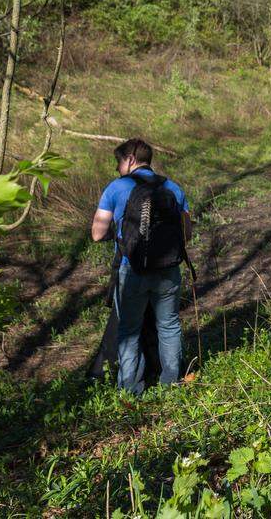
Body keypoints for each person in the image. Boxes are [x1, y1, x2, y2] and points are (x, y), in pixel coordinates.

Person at [90, 138, 192, 394]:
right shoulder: (173, 188)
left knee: (129, 330)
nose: (117, 168)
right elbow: (186, 233)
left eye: (119, 162)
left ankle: (131, 389)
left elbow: (97, 234)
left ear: (131, 160)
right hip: (168, 269)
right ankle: (172, 383)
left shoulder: (116, 188)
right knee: (168, 325)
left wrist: (118, 234)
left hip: (131, 269)